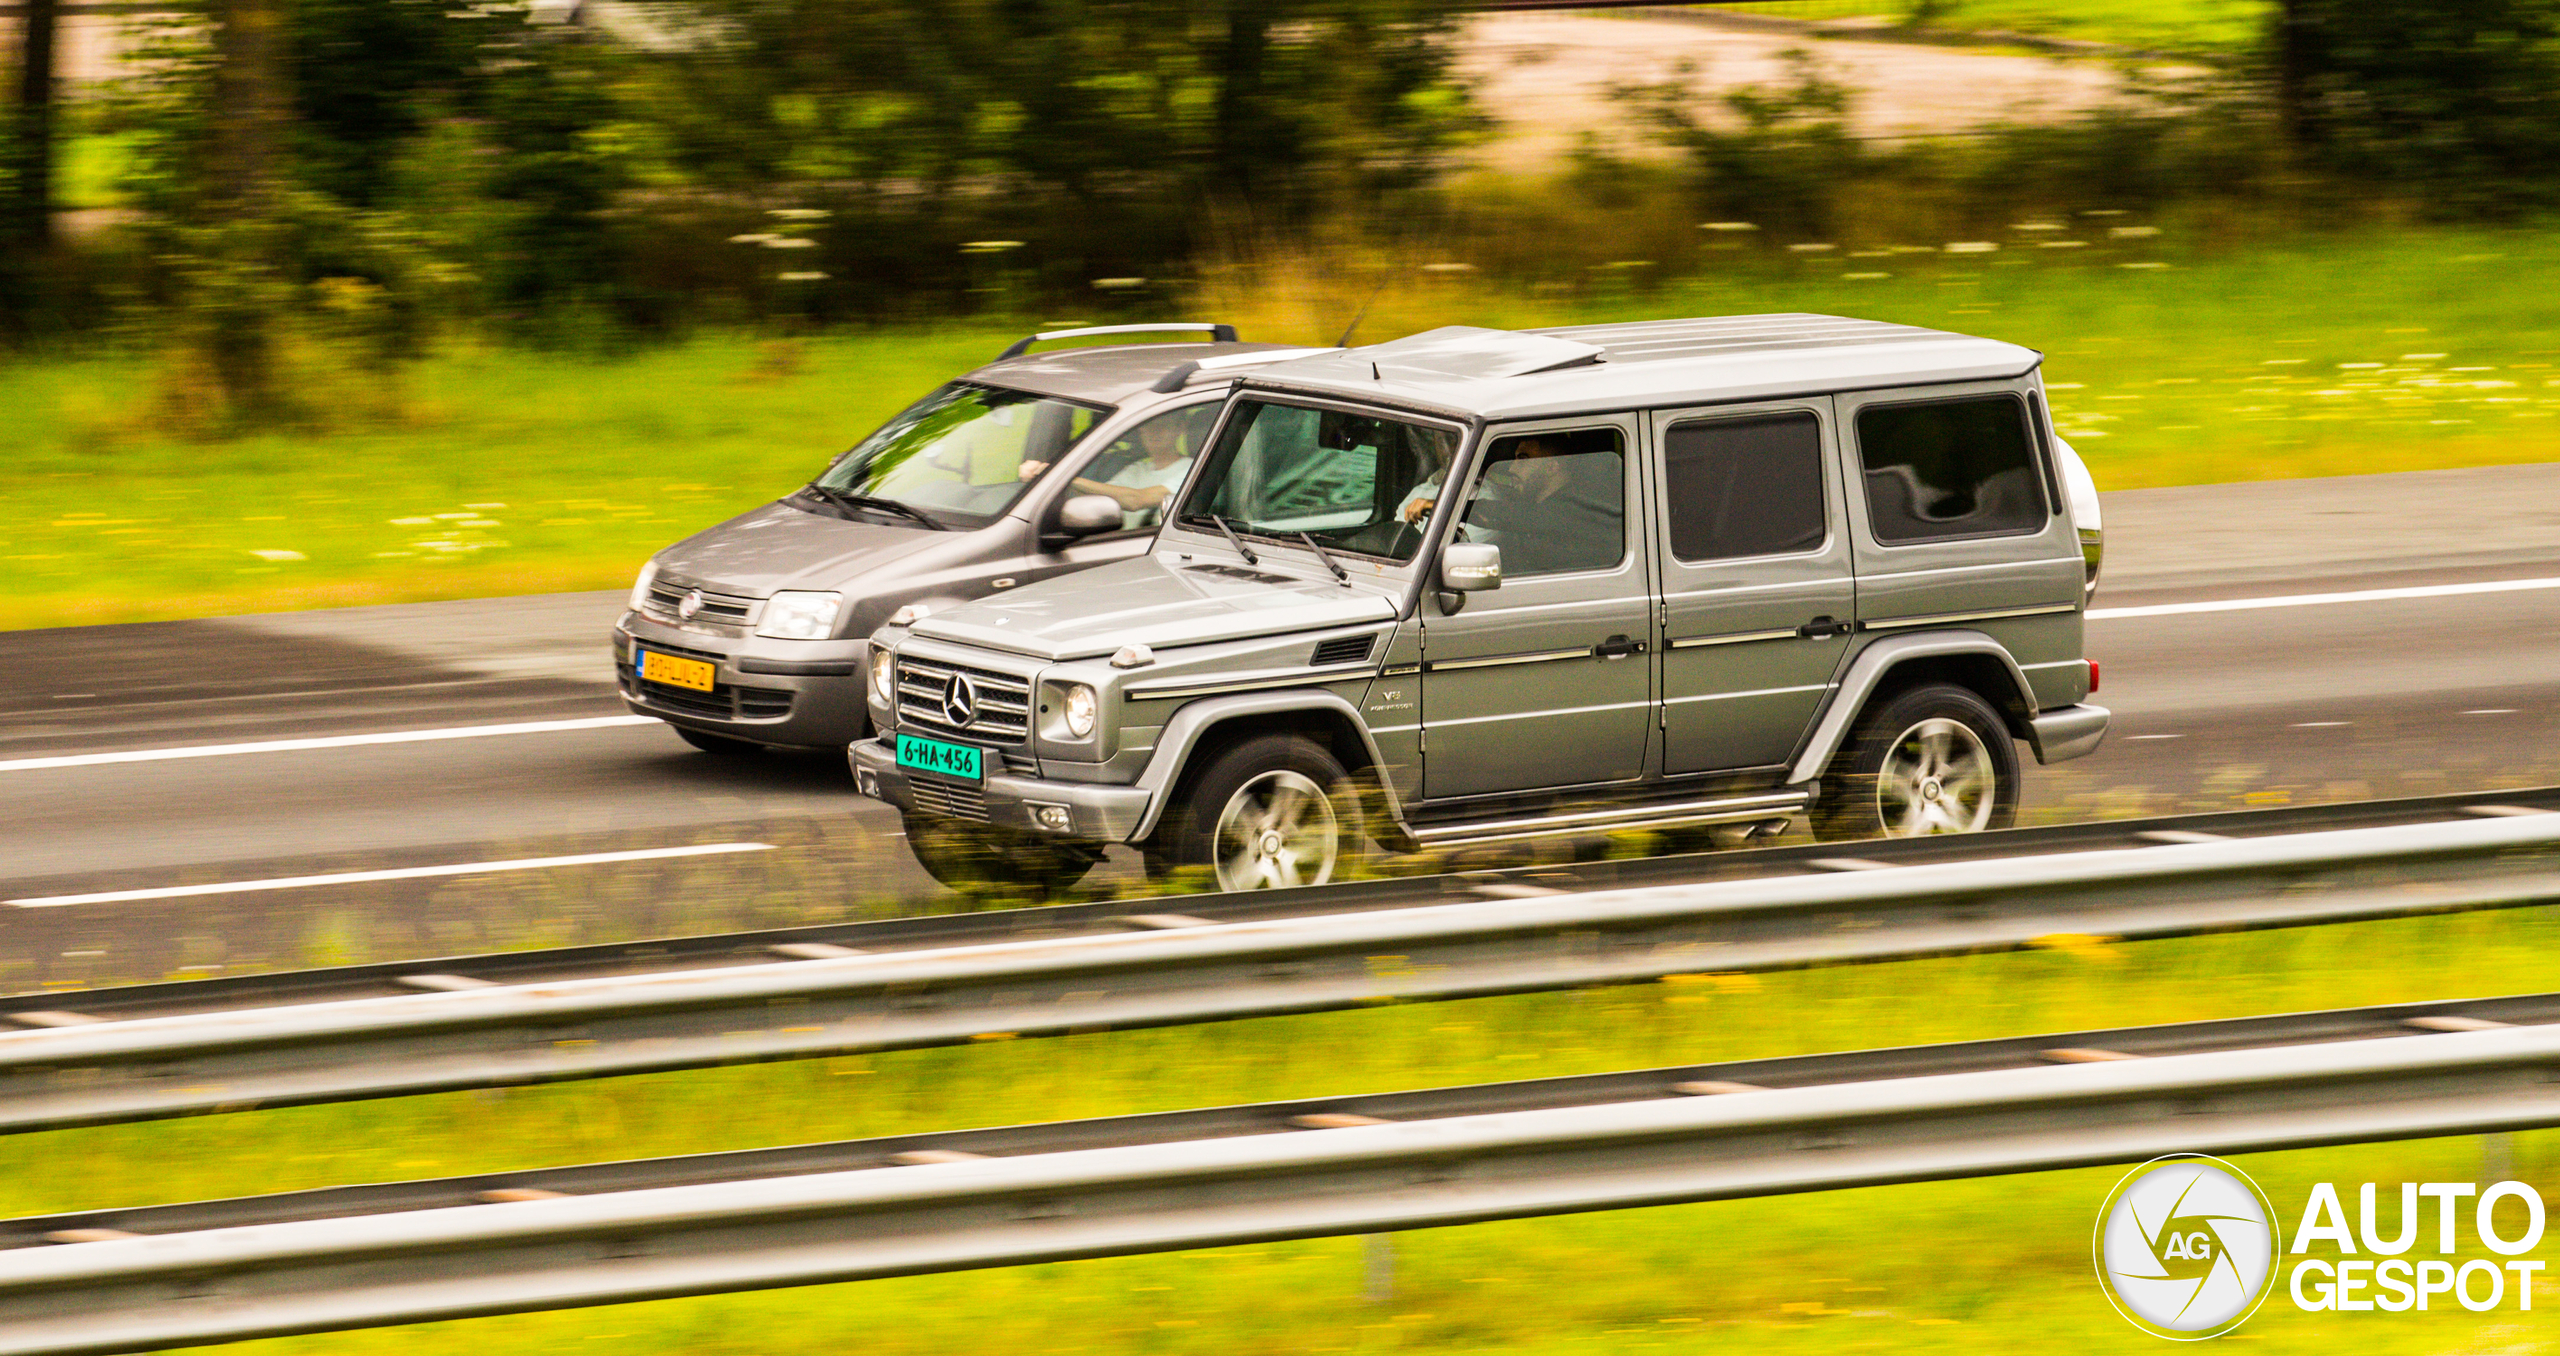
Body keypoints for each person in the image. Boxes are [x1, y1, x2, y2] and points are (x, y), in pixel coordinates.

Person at [1021, 412, 1200, 530]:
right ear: (1141, 431)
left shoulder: (1191, 469)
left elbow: (1136, 500)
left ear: (1180, 429)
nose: (1154, 432)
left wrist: (1060, 476)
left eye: (1163, 426)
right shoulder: (1137, 469)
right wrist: (1040, 476)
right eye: (1149, 426)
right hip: (1119, 544)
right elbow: (1098, 498)